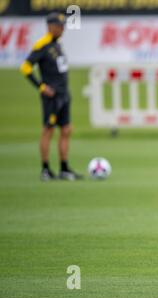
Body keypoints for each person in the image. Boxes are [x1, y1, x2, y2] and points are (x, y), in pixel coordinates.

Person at [20, 12, 82, 181]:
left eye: (63, 26)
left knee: (66, 130)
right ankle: (46, 169)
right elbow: (25, 68)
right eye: (59, 26)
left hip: (63, 94)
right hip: (52, 97)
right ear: (50, 26)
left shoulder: (57, 43)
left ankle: (64, 168)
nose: (62, 29)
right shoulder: (42, 45)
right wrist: (41, 86)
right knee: (48, 130)